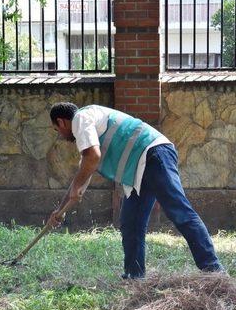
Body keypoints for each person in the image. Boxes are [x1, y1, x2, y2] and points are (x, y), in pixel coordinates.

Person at [47, 102, 225, 279]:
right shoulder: (88, 135)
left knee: (180, 212)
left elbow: (92, 158)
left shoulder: (81, 118)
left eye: (57, 130)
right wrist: (59, 212)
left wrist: (77, 186)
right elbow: (80, 181)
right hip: (139, 169)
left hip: (153, 154)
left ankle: (214, 272)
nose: (61, 135)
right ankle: (135, 277)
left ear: (62, 122)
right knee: (131, 223)